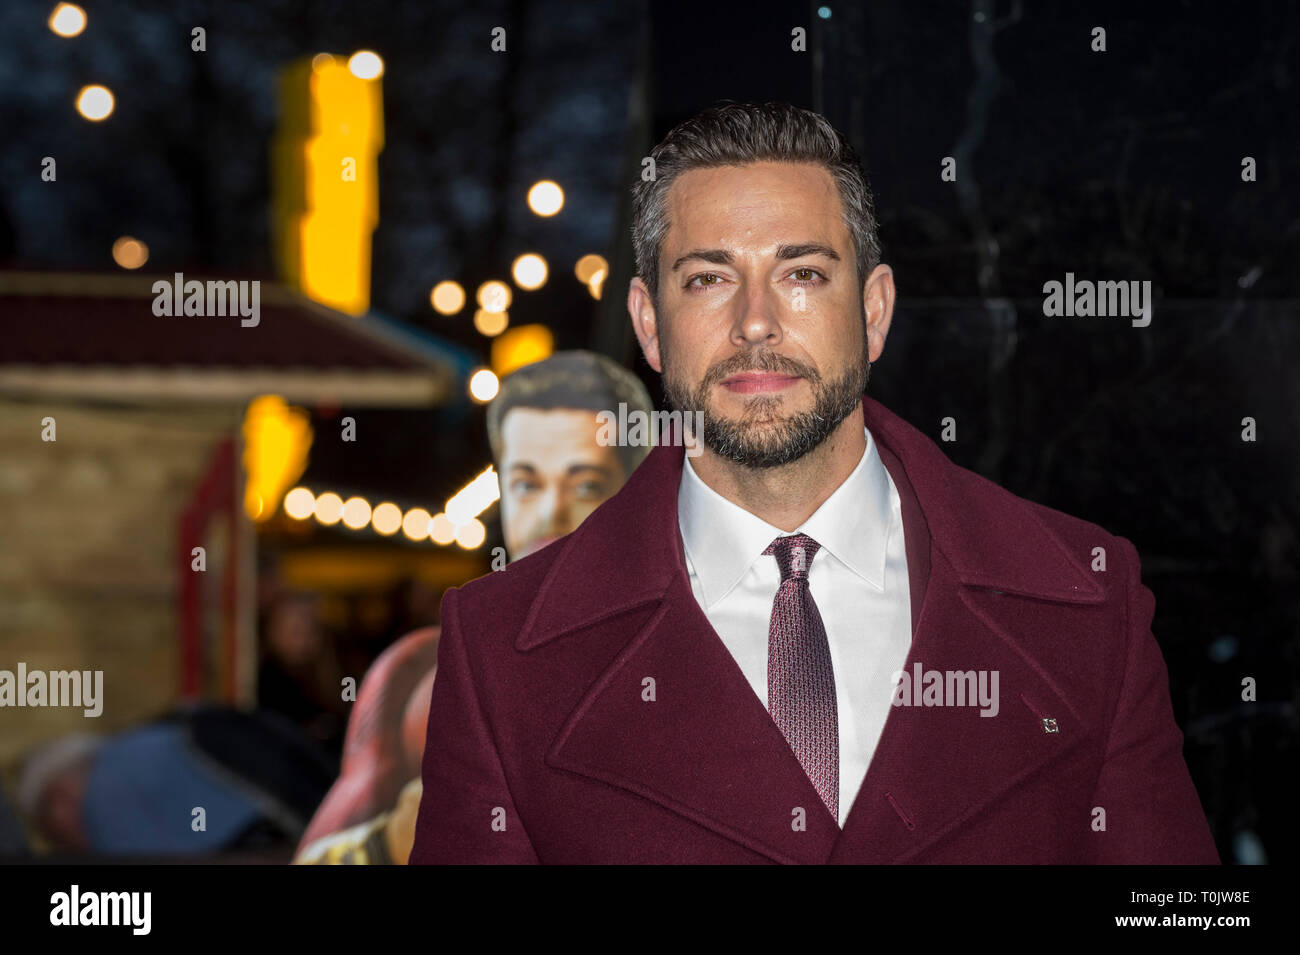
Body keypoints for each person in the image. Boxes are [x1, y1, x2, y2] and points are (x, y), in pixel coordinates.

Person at [410, 102, 1220, 864]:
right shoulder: (499, 650)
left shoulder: (1087, 601)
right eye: (707, 278)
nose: (755, 322)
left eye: (801, 273)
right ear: (649, 323)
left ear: (873, 312)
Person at [294, 350, 655, 863]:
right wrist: (390, 840)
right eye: (527, 483)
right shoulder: (422, 671)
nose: (552, 513)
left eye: (586, 484)